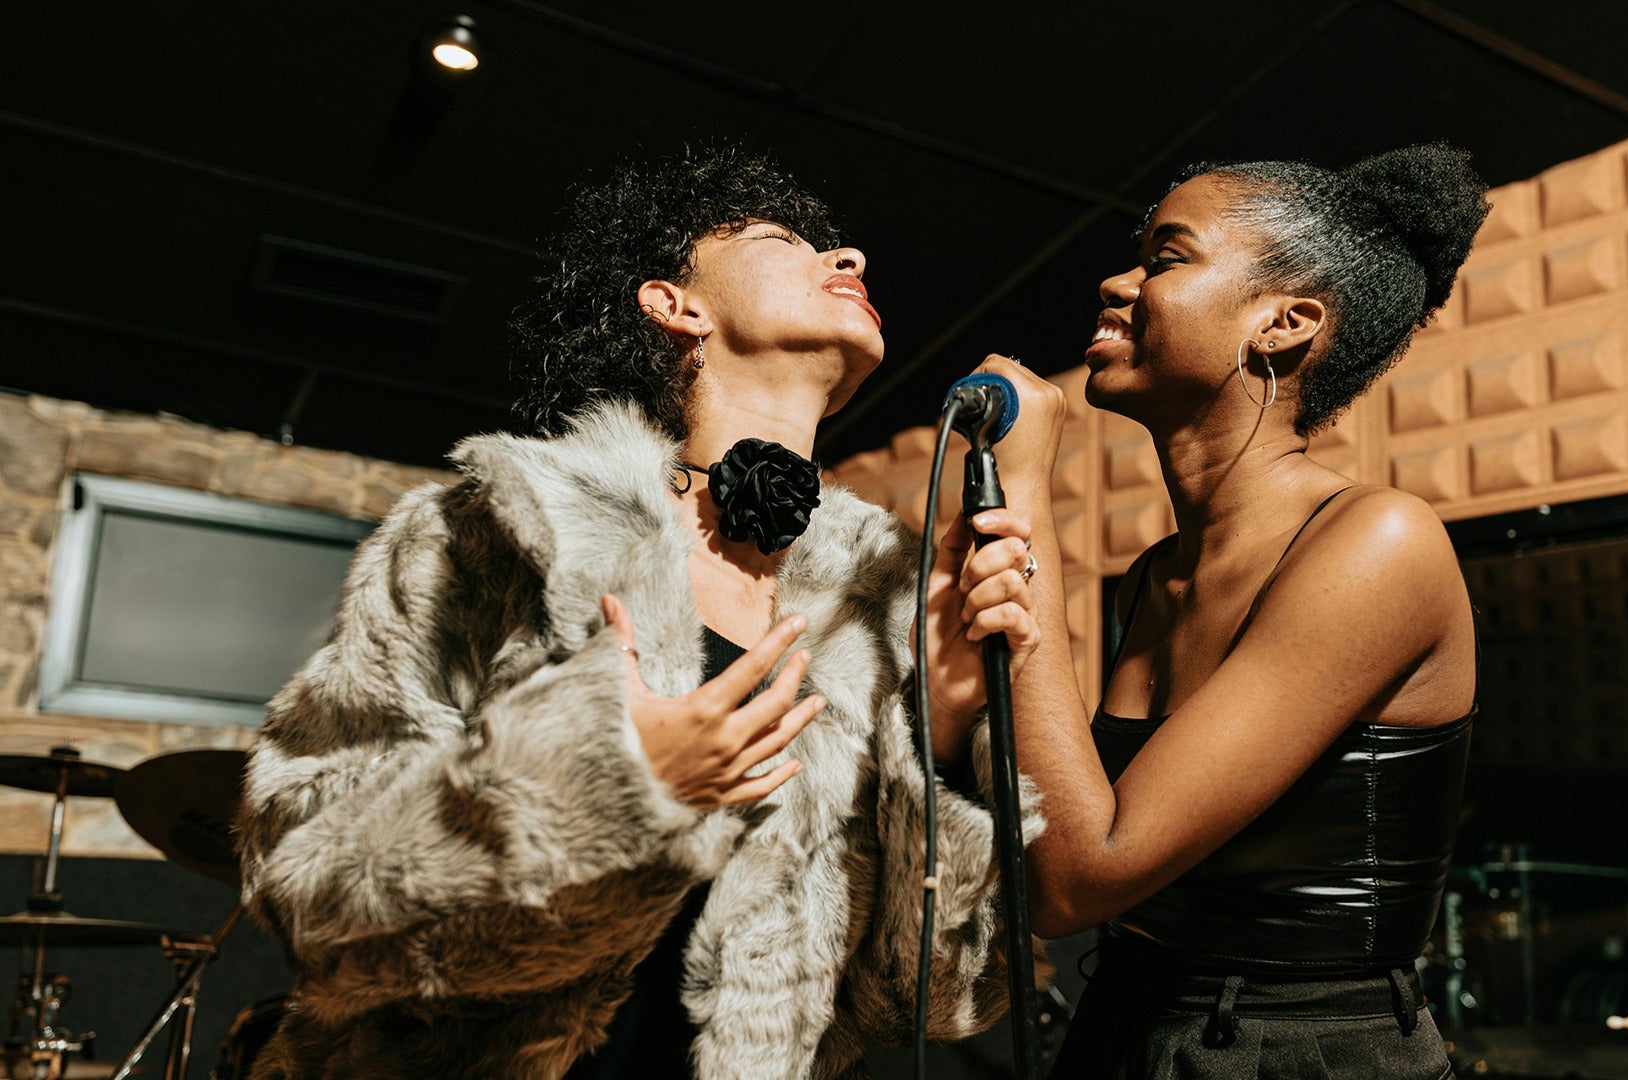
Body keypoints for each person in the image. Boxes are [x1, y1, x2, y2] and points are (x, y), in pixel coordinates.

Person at [235, 144, 1046, 1080]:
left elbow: (928, 1003)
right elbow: (312, 896)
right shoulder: (505, 527)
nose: (850, 259)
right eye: (781, 240)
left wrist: (938, 733)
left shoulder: (885, 603)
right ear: (674, 304)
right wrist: (621, 785)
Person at [975, 144, 1490, 1076]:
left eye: (1166, 258)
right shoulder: (1150, 578)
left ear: (1283, 324)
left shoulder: (1379, 542)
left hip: (1300, 1050)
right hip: (1128, 1020)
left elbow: (1077, 881)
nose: (1118, 282)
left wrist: (1021, 491)